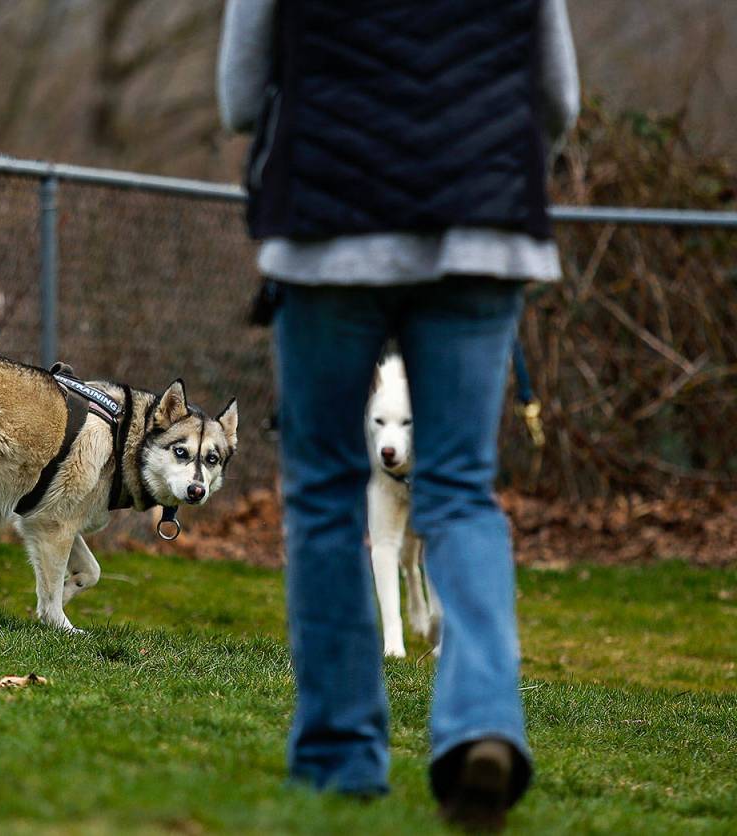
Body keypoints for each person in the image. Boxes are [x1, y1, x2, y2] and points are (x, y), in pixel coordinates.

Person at [217, 0, 579, 827]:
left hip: (326, 227)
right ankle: (481, 724)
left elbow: (242, 97)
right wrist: (488, 168)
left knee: (323, 493)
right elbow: (558, 97)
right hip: (482, 228)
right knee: (458, 491)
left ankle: (341, 754)